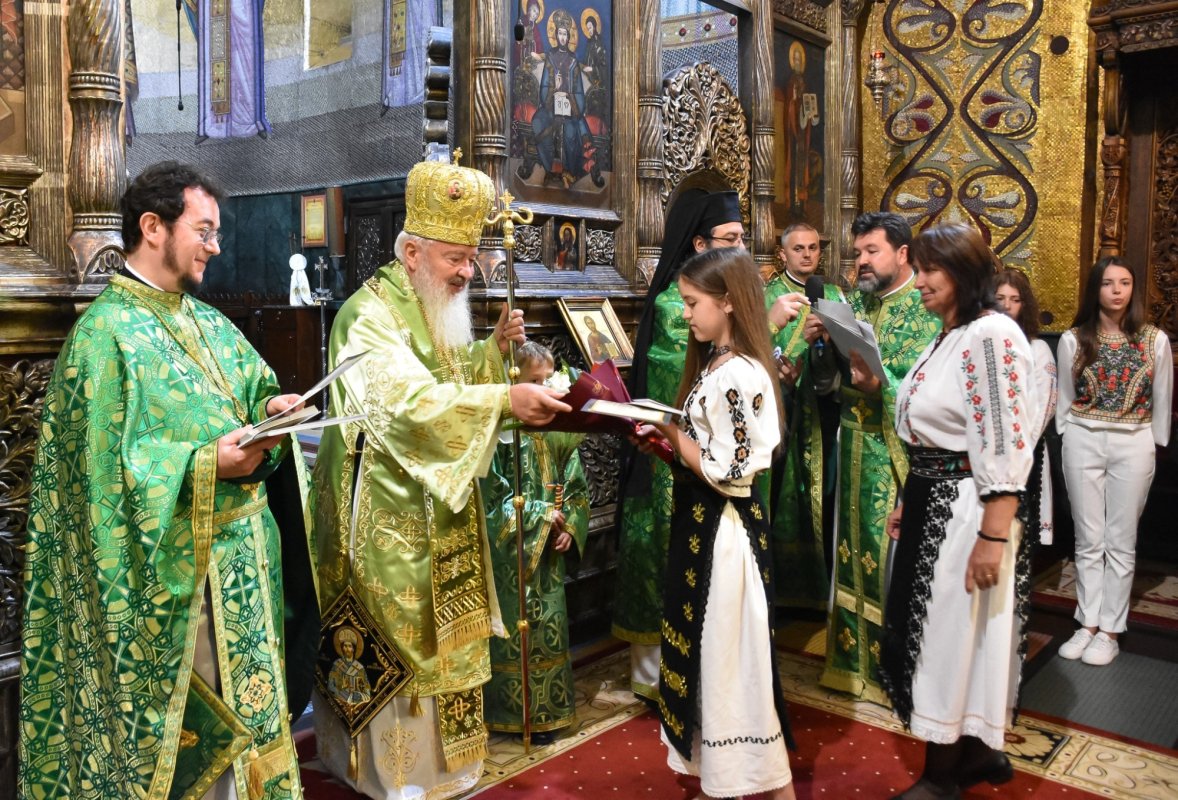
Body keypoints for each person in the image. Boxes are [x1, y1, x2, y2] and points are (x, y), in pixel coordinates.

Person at [19, 160, 317, 799]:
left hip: (244, 572)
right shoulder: (104, 337)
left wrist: (272, 408)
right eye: (204, 231)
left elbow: (250, 388)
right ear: (153, 227)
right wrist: (207, 464)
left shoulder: (208, 322)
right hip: (181, 589)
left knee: (256, 736)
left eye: (216, 233)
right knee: (199, 759)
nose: (216, 247)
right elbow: (101, 482)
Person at [312, 158, 571, 800]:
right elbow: (405, 406)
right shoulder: (366, 316)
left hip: (443, 506)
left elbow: (449, 379)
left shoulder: (434, 304)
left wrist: (491, 354)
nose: (467, 273)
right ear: (412, 253)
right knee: (402, 643)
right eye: (456, 258)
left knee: (448, 642)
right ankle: (393, 777)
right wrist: (505, 400)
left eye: (471, 258)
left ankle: (447, 771)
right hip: (386, 518)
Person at [879, 221, 1040, 800]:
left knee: (949, 636)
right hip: (934, 498)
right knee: (952, 632)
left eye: (930, 269)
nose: (919, 279)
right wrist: (909, 497)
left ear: (964, 273)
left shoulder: (991, 335)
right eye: (919, 268)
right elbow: (930, 430)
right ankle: (976, 752)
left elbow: (1005, 439)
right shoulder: (950, 334)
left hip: (968, 508)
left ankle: (944, 774)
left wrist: (992, 537)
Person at [633, 247, 794, 800]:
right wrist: (666, 444)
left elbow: (729, 472)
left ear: (727, 302)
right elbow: (707, 450)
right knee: (711, 661)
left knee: (732, 667)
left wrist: (670, 431)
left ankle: (769, 785)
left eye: (692, 303)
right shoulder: (717, 366)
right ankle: (717, 780)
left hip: (725, 536)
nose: (685, 315)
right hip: (703, 527)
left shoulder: (737, 375)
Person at [804, 211, 940, 702]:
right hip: (854, 442)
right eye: (858, 252)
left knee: (893, 562)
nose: (860, 260)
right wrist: (821, 345)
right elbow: (828, 382)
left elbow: (932, 391)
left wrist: (883, 387)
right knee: (849, 554)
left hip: (900, 456)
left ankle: (896, 670)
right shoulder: (854, 304)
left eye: (871, 251)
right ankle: (851, 664)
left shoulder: (925, 311)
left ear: (902, 254)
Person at [614, 185, 744, 704]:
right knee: (663, 559)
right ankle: (660, 675)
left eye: (742, 238)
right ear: (699, 245)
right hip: (674, 461)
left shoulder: (724, 302)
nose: (740, 248)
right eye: (729, 239)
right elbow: (677, 387)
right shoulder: (676, 306)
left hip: (718, 462)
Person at [1054, 256, 1172, 666]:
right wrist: (1068, 432)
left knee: (1121, 540)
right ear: (1096, 289)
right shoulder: (1074, 339)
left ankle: (1110, 630)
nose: (1117, 290)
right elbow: (1065, 396)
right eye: (1108, 283)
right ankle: (1086, 622)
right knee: (1088, 537)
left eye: (1124, 282)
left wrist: (1154, 442)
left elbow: (1162, 397)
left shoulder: (1154, 339)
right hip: (1083, 438)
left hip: (1133, 441)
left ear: (1133, 289)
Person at [480, 342, 589, 744]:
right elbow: (491, 501)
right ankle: (510, 714)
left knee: (549, 630)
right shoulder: (499, 436)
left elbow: (575, 487)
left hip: (548, 560)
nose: (544, 390)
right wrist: (540, 514)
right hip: (511, 560)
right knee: (514, 635)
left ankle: (550, 712)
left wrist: (570, 526)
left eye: (548, 381)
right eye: (533, 382)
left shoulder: (556, 433)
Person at [764, 222, 844, 611]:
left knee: (825, 495)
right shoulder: (769, 297)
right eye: (799, 248)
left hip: (824, 412)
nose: (808, 254)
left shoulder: (835, 295)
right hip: (782, 415)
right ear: (783, 254)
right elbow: (757, 346)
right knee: (783, 494)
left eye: (813, 247)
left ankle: (820, 587)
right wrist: (781, 370)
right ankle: (784, 589)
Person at [995, 268, 1057, 545]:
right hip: (986, 452)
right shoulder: (981, 343)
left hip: (1024, 451)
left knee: (1018, 533)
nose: (1006, 306)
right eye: (1000, 298)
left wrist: (1019, 452)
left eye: (1015, 299)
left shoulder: (1037, 349)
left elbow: (1045, 405)